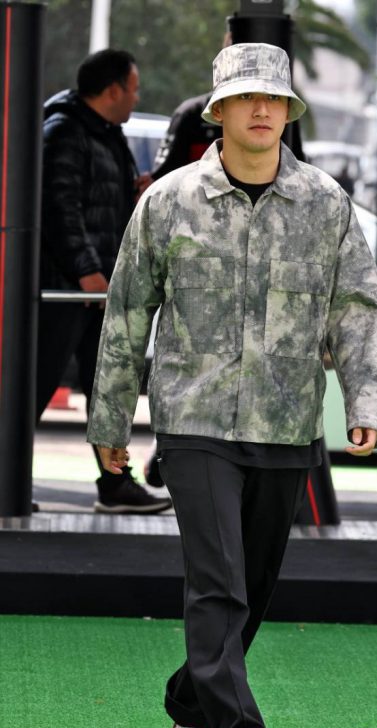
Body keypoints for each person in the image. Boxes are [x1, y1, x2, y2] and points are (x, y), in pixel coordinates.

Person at [87, 43, 377, 728]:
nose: (262, 111)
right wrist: (109, 426)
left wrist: (366, 400)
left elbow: (356, 306)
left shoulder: (325, 204)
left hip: (285, 419)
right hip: (194, 419)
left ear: (289, 112)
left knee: (251, 582)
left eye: (275, 100)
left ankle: (191, 695)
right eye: (246, 99)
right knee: (217, 576)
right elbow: (127, 314)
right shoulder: (166, 202)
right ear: (218, 111)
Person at [37, 48, 171, 514]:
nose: (137, 97)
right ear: (113, 89)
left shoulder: (102, 134)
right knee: (34, 384)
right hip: (70, 288)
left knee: (107, 386)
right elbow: (59, 208)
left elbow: (93, 202)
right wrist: (86, 270)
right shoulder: (65, 132)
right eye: (133, 88)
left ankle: (115, 483)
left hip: (95, 289)